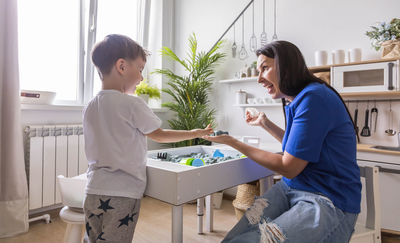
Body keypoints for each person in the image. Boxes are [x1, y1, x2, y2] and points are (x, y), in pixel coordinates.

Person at [204, 40, 361, 243]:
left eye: (265, 68)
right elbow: (297, 150)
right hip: (290, 189)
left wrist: (232, 142)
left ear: (286, 66)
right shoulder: (297, 100)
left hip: (326, 200)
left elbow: (289, 167)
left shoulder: (313, 98)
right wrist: (265, 123)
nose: (259, 78)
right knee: (234, 239)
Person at [83, 34, 213, 243]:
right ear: (122, 66)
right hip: (122, 193)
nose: (142, 78)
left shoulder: (90, 106)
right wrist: (195, 133)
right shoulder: (132, 104)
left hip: (92, 190)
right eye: (141, 69)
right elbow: (159, 135)